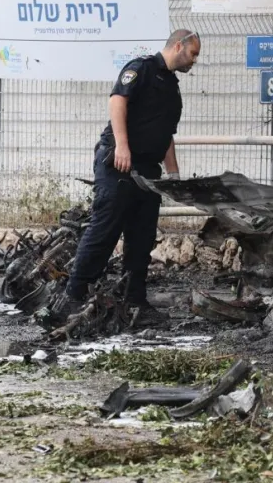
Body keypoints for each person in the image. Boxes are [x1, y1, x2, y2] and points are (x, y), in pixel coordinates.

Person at [51, 30, 202, 326]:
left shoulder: (172, 86)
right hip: (118, 163)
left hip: (147, 171)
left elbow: (166, 133)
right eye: (193, 54)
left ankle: (135, 301)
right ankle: (74, 296)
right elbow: (117, 102)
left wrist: (173, 175)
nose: (195, 60)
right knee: (104, 230)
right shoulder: (142, 68)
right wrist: (122, 145)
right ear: (178, 46)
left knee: (142, 237)